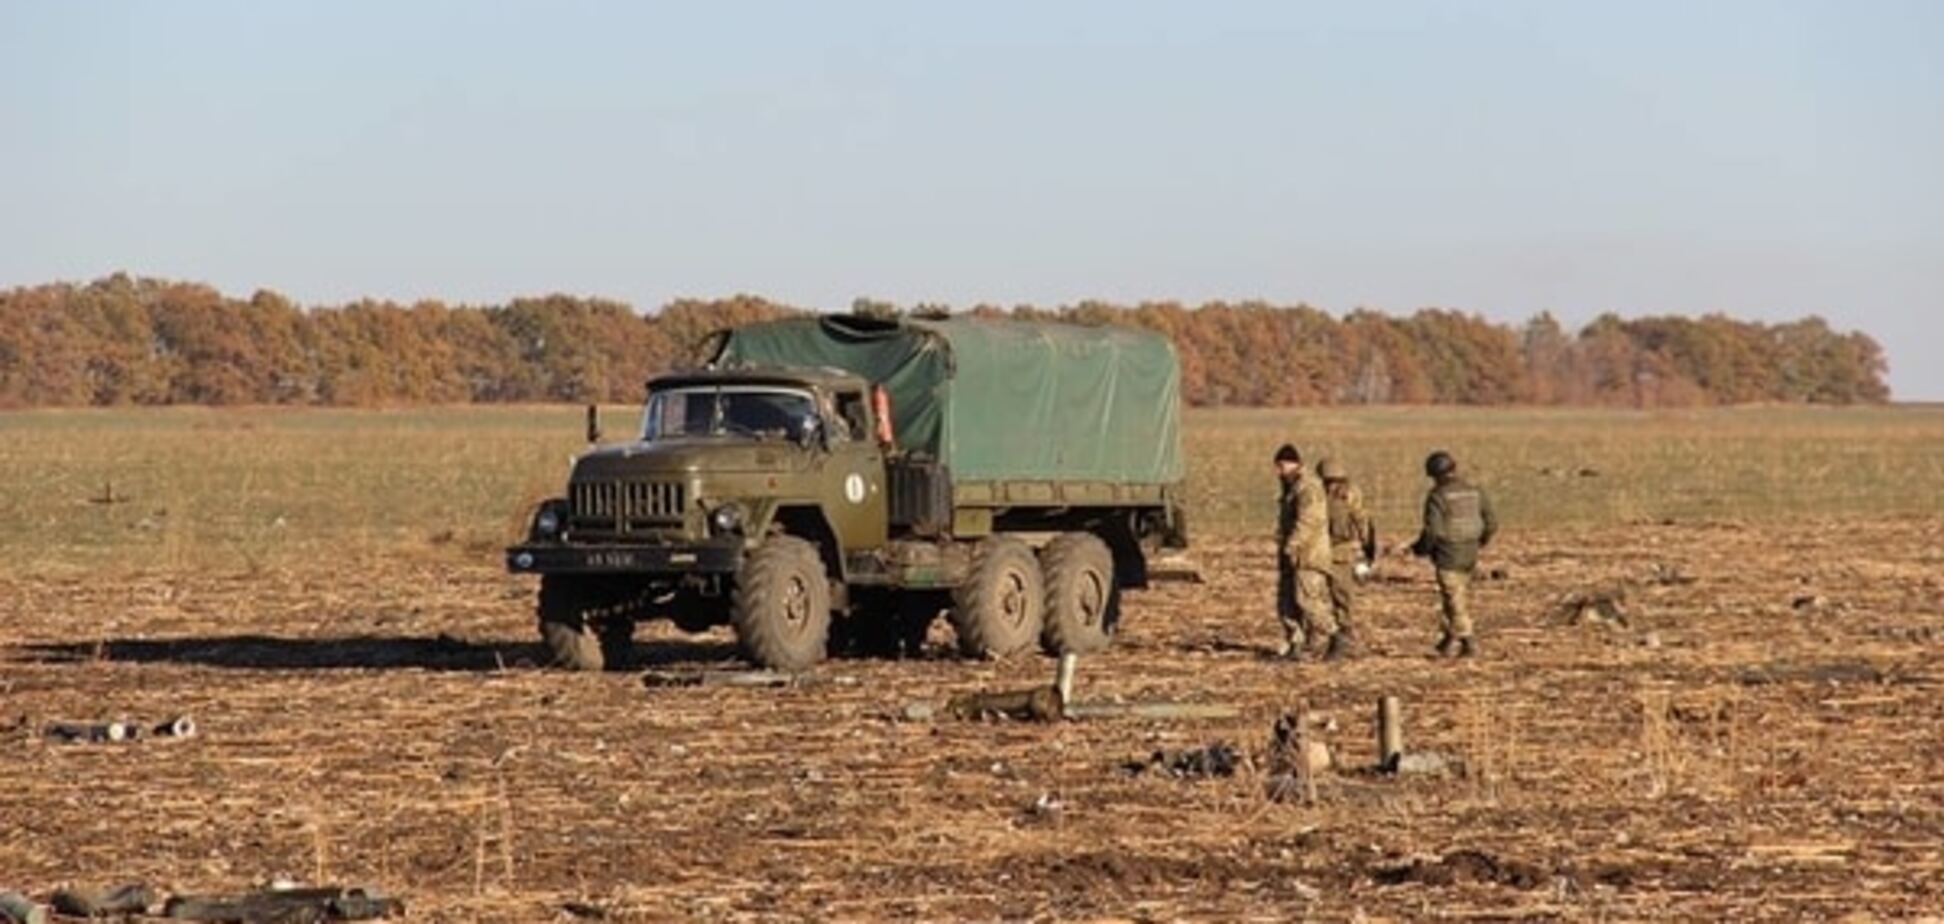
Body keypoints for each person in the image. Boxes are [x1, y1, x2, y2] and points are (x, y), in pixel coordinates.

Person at [1410, 450, 1498, 658]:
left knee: (1454, 599)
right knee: (1454, 596)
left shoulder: (1438, 496)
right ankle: (1449, 639)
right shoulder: (1475, 491)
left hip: (1448, 554)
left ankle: (1469, 641)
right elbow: (1491, 523)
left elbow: (1433, 531)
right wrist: (1480, 541)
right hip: (1470, 552)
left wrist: (1420, 548)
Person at [1273, 444, 1338, 660]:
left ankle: (1334, 635)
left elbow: (1309, 521)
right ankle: (1296, 643)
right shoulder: (1291, 487)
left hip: (1309, 556)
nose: (1278, 471)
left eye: (1281, 466)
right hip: (1292, 557)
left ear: (1292, 464)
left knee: (1307, 600)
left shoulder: (1308, 488)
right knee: (1286, 603)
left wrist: (1292, 544)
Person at [1318, 458, 1375, 658]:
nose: (1332, 485)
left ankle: (1344, 636)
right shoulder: (1318, 494)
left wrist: (1367, 552)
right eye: (1329, 481)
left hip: (1342, 550)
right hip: (1322, 550)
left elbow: (1363, 522)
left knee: (1342, 596)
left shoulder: (1350, 495)